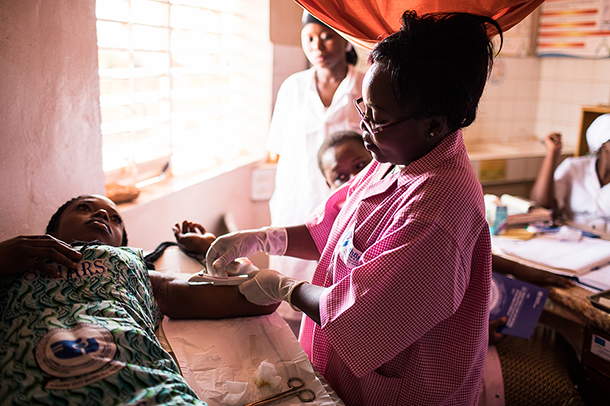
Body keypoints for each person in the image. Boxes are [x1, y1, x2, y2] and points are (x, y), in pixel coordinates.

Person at [207, 11, 502, 405]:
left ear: (433, 124)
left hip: (402, 391)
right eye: (364, 107)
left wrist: (284, 287)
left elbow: (360, 314)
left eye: (377, 119)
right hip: (342, 377)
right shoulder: (393, 158)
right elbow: (333, 231)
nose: (363, 127)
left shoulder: (438, 209)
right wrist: (263, 239)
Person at [0, 194, 276, 405]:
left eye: (115, 217)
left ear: (121, 246)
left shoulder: (130, 268)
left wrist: (210, 247)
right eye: (84, 207)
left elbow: (262, 296)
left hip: (147, 389)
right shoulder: (17, 262)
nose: (100, 214)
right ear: (52, 230)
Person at [267, 11, 365, 329]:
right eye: (309, 37)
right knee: (288, 294)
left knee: (337, 295)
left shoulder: (365, 85)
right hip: (295, 200)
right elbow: (278, 147)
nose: (317, 46)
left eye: (326, 36)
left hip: (347, 205)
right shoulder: (292, 88)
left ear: (345, 39)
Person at [530, 114, 610, 234]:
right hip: (571, 237)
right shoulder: (574, 167)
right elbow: (543, 205)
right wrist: (552, 154)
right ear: (604, 145)